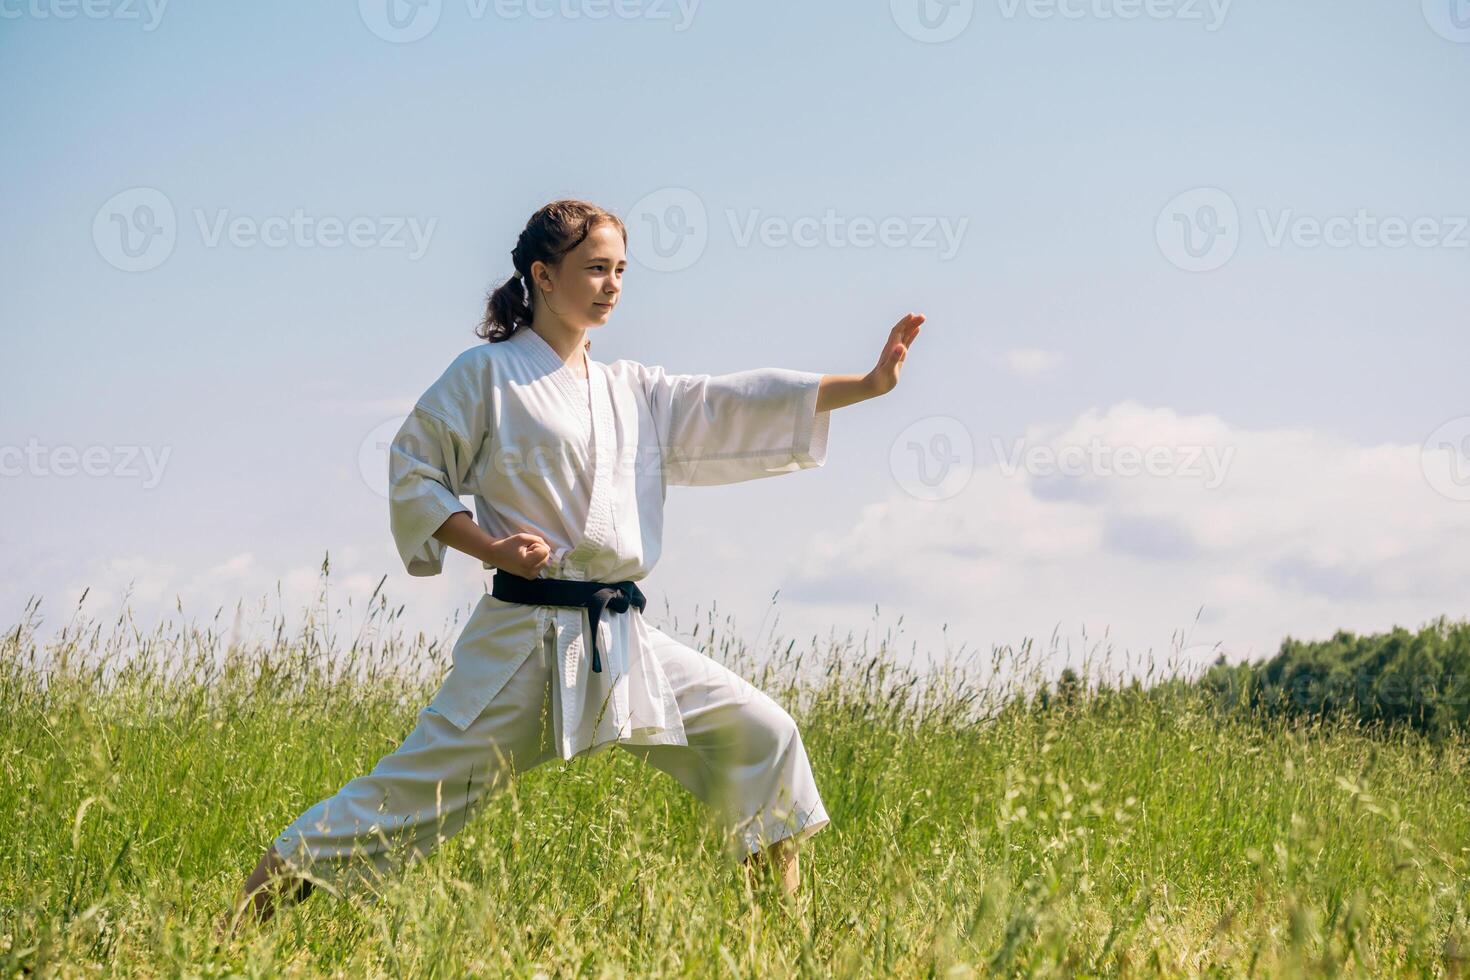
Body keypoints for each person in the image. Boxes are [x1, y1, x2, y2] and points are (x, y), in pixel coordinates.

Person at [223, 198, 923, 935]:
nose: (612, 284)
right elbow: (414, 470)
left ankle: (782, 944)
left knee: (762, 735)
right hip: (522, 645)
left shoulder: (632, 390)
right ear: (543, 276)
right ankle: (229, 934)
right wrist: (489, 547)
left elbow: (729, 403)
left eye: (621, 270)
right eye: (595, 268)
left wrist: (867, 386)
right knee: (401, 802)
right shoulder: (486, 375)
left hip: (621, 639)